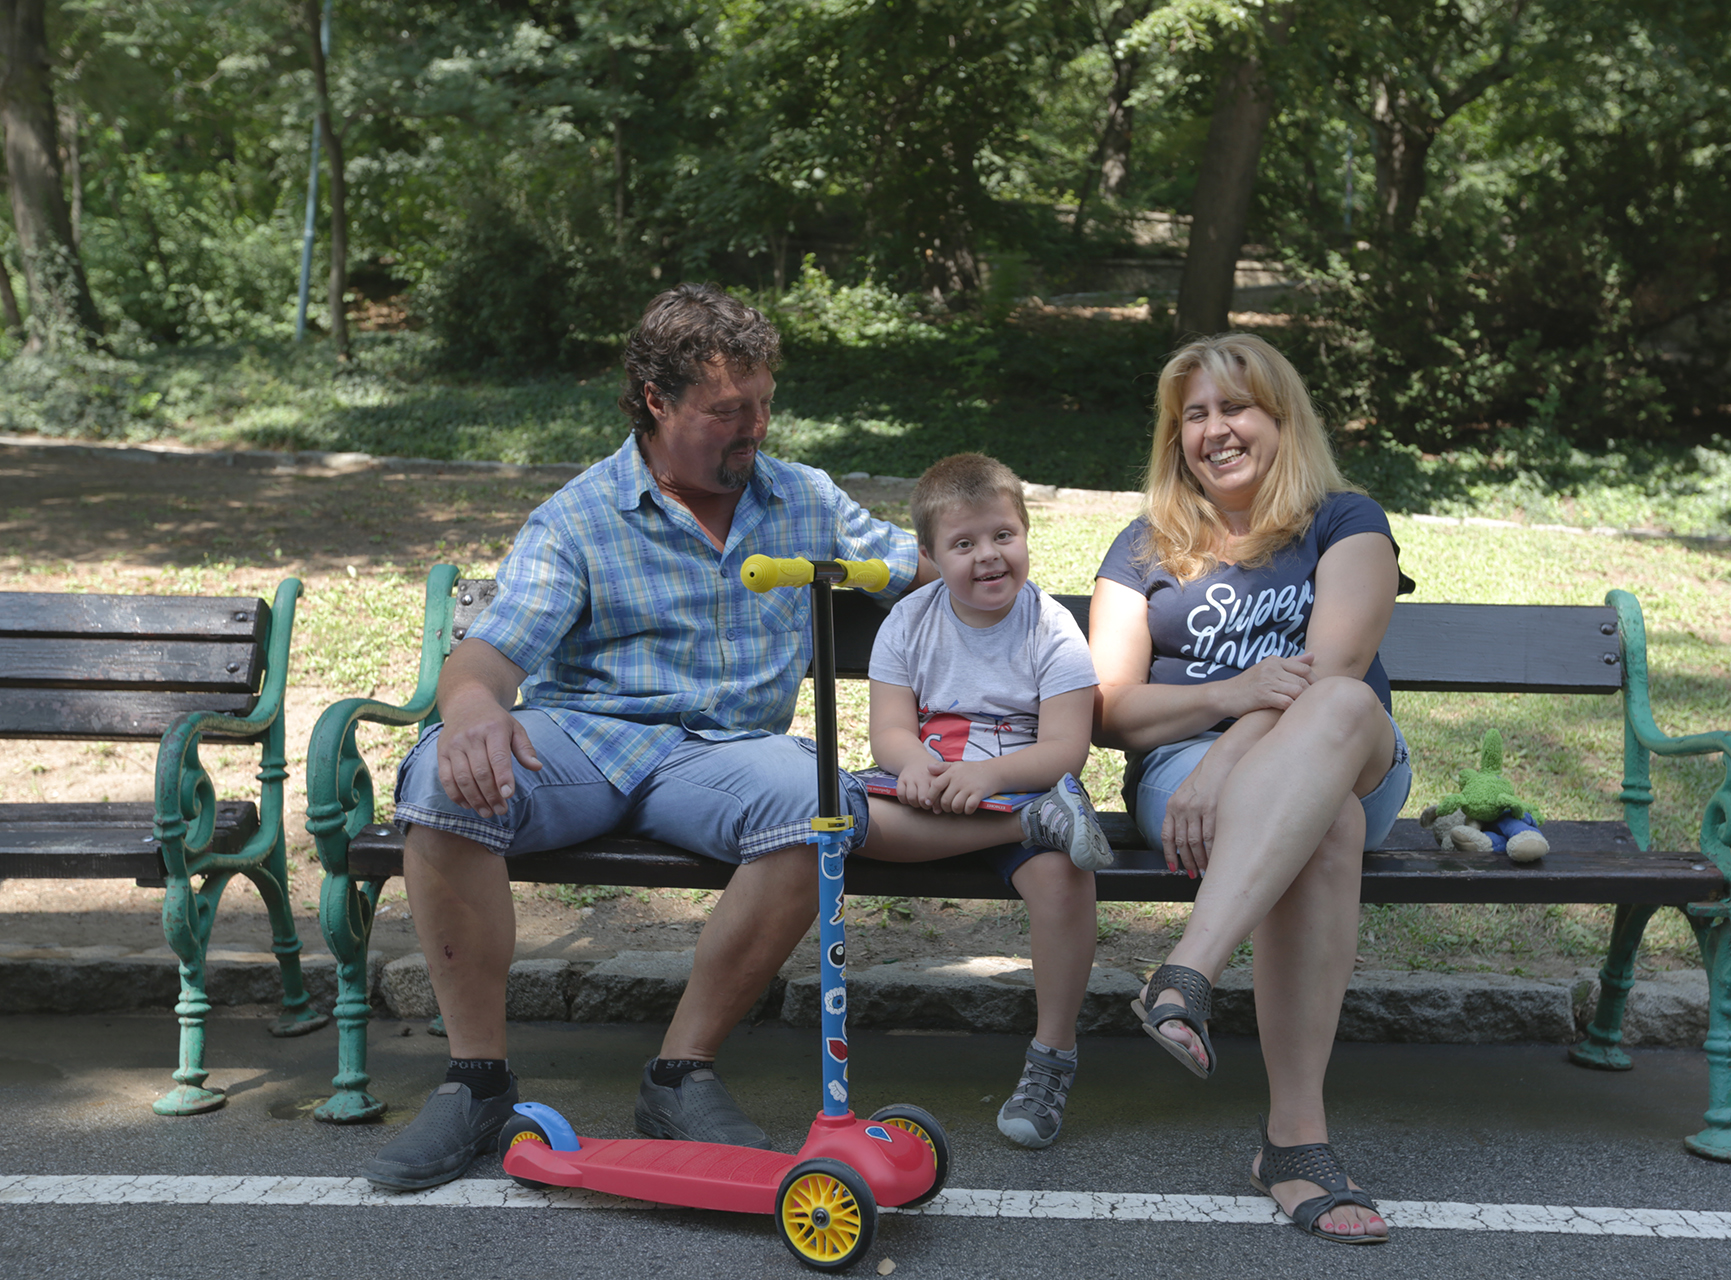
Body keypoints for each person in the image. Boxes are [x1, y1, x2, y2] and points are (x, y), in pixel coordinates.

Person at [362, 284, 1034, 1191]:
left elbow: (925, 570)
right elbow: (488, 654)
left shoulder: (805, 498)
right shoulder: (581, 516)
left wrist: (1026, 607)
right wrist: (474, 707)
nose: (753, 428)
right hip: (587, 741)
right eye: (727, 410)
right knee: (444, 783)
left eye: (763, 403)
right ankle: (476, 1083)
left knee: (814, 803)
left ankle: (681, 1075)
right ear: (656, 401)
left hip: (725, 758)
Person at [1088, 333, 1412, 1245]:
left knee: (1340, 705)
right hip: (1183, 776)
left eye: (1235, 407)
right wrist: (1227, 698)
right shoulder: (1143, 546)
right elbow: (1110, 708)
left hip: (1336, 751)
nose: (1214, 429)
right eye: (1194, 415)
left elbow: (1334, 670)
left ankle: (1187, 969)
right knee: (1323, 823)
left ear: (1281, 418)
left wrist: (1230, 755)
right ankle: (1295, 1143)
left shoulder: (1346, 521)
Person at [864, 452, 1112, 1149]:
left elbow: (1066, 748)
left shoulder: (1050, 628)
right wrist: (914, 764)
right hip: (938, 798)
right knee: (849, 821)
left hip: (1022, 791)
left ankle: (1052, 1057)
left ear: (1026, 533)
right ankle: (1037, 824)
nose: (988, 556)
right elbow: (889, 729)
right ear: (930, 555)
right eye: (964, 543)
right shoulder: (909, 622)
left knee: (1065, 876)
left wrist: (993, 778)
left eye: (1003, 535)